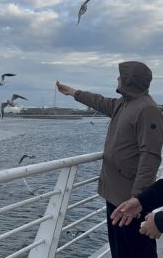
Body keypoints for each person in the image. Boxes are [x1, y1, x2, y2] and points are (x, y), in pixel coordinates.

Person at [56, 61, 163, 258]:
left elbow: (151, 156)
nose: (117, 78)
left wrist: (138, 198)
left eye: (120, 75)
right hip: (115, 194)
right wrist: (73, 92)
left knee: (138, 250)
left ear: (129, 80)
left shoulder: (147, 110)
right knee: (120, 249)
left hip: (130, 197)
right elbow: (98, 101)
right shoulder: (123, 104)